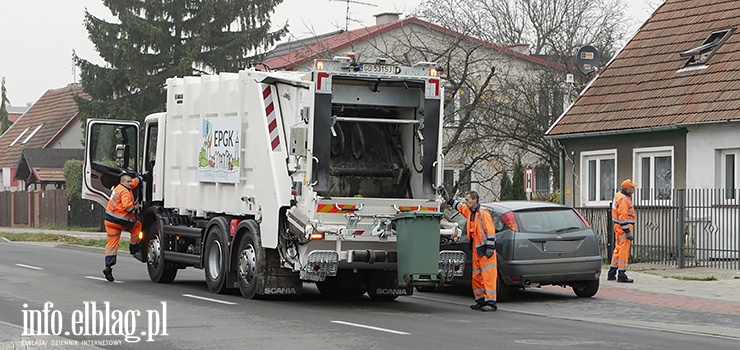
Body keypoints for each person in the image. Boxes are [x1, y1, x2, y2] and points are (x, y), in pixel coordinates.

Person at [443, 189, 498, 311]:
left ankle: (491, 303)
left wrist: (490, 247)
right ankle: (481, 301)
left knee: (488, 277)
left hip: (485, 250)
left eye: (468, 200)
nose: (466, 202)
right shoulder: (470, 212)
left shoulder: (483, 213)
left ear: (475, 200)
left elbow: (490, 231)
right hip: (477, 250)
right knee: (477, 277)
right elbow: (460, 207)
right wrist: (449, 200)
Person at [103, 173, 144, 282]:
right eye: (128, 182)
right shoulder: (125, 192)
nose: (130, 184)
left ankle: (108, 266)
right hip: (122, 220)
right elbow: (127, 206)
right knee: (137, 226)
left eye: (131, 181)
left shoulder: (118, 188)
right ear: (123, 182)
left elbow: (134, 183)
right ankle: (133, 246)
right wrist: (136, 210)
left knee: (111, 245)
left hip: (109, 221)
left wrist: (140, 178)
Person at [608, 179, 637, 283]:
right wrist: (628, 231)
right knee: (624, 250)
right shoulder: (624, 199)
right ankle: (622, 274)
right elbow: (623, 216)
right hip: (623, 227)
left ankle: (611, 273)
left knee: (618, 249)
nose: (634, 189)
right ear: (627, 188)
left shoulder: (618, 196)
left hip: (618, 227)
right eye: (632, 187)